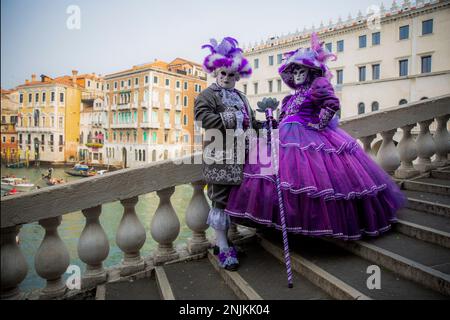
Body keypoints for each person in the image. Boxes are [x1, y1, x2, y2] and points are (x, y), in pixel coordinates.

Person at [225, 33, 407, 240]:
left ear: (311, 71)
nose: (298, 75)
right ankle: (285, 225)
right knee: (280, 180)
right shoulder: (289, 98)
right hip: (283, 139)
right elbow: (284, 118)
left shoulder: (317, 87)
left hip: (309, 137)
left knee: (314, 183)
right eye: (295, 72)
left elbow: (332, 105)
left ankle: (311, 225)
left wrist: (319, 124)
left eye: (302, 70)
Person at [195, 37, 265, 270]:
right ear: (216, 72)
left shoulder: (243, 97)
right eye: (222, 74)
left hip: (243, 156)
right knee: (220, 200)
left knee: (236, 199)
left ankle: (227, 240)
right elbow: (204, 119)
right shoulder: (208, 95)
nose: (226, 78)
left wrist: (266, 124)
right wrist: (232, 119)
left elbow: (251, 122)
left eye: (231, 75)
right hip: (220, 156)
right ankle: (223, 246)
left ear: (237, 76)